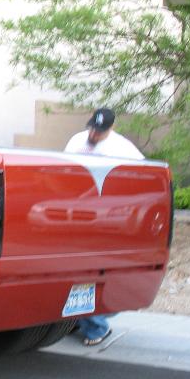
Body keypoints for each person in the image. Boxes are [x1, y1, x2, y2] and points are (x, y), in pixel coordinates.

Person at [64, 108, 145, 345]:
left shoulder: (122, 148)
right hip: (79, 215)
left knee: (88, 273)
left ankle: (95, 325)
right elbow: (64, 169)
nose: (93, 134)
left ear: (111, 128)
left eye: (99, 131)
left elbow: (142, 175)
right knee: (74, 271)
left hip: (105, 218)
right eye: (92, 128)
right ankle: (81, 319)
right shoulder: (77, 141)